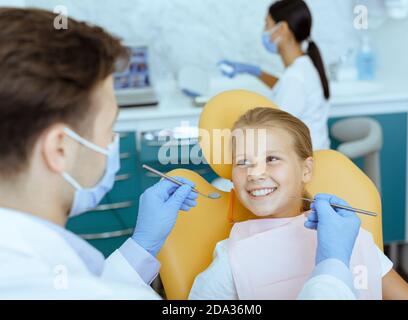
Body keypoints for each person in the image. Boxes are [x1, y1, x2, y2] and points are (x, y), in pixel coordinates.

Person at [0, 7, 375, 300]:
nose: (111, 142)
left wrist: (139, 248)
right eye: (110, 129)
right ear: (59, 149)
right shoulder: (235, 257)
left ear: (306, 167)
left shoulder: (34, 271)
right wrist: (331, 269)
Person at [189, 108, 408, 300]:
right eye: (242, 162)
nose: (255, 173)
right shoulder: (233, 257)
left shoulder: (345, 236)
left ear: (306, 170)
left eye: (271, 158)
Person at [219, 0, 330, 151]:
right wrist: (255, 71)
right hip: (312, 158)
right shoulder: (303, 66)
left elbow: (271, 131)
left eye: (267, 25)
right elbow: (283, 86)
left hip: (305, 167)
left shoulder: (295, 77)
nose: (264, 31)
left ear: (282, 29)